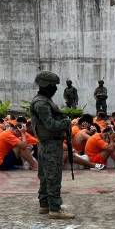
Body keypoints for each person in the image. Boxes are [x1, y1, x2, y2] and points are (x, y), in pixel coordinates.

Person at [30, 71, 74, 219]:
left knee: (45, 175)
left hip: (48, 143)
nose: (55, 88)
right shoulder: (42, 103)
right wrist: (66, 122)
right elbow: (50, 124)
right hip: (50, 144)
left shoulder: (44, 100)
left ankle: (44, 204)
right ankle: (55, 209)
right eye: (53, 85)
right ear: (46, 86)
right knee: (53, 176)